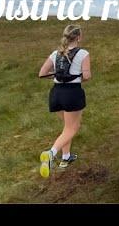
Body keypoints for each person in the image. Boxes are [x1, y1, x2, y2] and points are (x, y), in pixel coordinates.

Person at [37, 24, 91, 178]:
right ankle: (50, 154)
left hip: (56, 93)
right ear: (79, 37)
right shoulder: (83, 53)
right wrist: (75, 77)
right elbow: (87, 76)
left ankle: (65, 157)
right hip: (72, 94)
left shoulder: (56, 53)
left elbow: (42, 74)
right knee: (72, 128)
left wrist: (58, 77)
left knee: (66, 127)